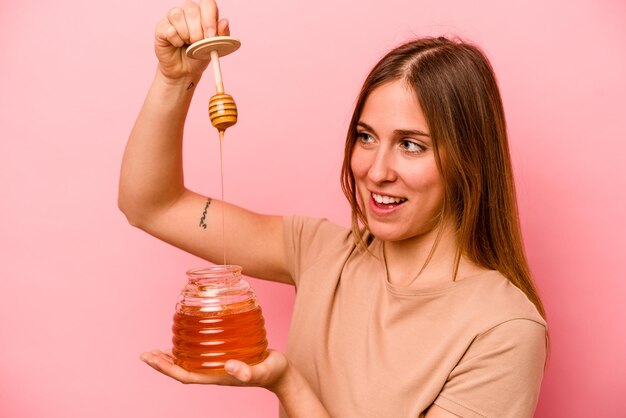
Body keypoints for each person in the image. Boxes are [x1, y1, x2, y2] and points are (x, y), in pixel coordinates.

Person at [118, 1, 548, 416]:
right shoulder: (321, 252)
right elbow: (152, 205)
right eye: (365, 137)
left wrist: (288, 383)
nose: (376, 170)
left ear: (468, 159)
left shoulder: (503, 329)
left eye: (410, 145)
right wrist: (176, 79)